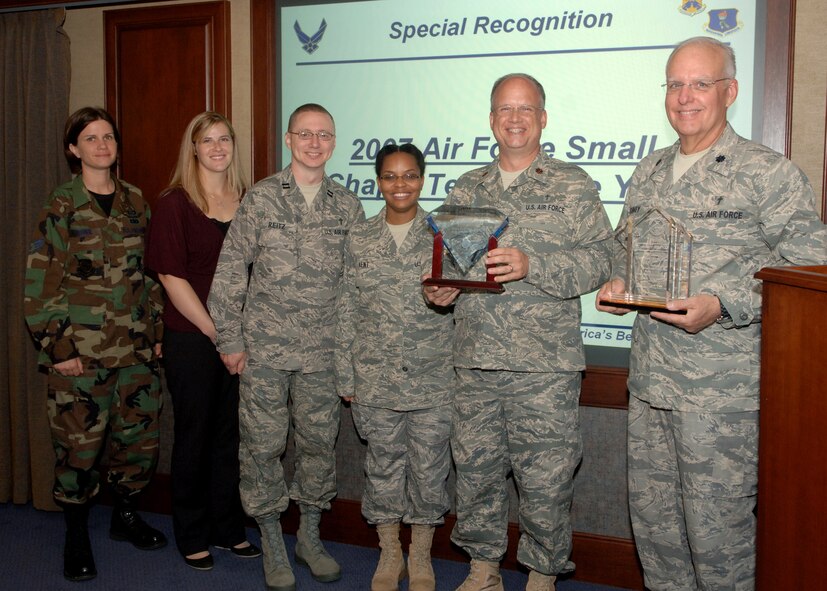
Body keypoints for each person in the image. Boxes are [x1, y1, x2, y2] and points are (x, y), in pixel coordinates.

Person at [595, 36, 827, 591]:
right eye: (675, 84)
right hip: (650, 384)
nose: (685, 96)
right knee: (657, 530)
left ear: (731, 91)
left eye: (700, 83)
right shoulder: (650, 170)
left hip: (721, 395)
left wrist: (725, 304)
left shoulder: (766, 173)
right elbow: (625, 249)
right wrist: (619, 280)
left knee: (718, 538)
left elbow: (810, 267)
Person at [424, 74, 613, 591]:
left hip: (544, 366)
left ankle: (542, 574)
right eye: (505, 109)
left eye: (525, 108)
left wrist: (535, 265)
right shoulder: (467, 187)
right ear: (491, 120)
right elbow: (449, 264)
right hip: (476, 359)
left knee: (546, 479)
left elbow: (603, 257)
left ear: (543, 118)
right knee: (476, 471)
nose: (515, 118)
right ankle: (483, 568)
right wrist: (440, 290)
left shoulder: (572, 184)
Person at [207, 103, 365, 591]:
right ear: (288, 139)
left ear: (334, 142)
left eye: (324, 135)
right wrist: (230, 339)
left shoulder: (348, 206)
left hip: (323, 354)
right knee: (263, 447)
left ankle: (309, 538)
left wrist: (350, 355)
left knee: (318, 446)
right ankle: (272, 541)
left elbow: (355, 287)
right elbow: (230, 271)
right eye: (305, 134)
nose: (315, 143)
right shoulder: (260, 198)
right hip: (265, 352)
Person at [24, 106, 167, 582]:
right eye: (90, 138)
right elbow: (40, 283)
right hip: (81, 356)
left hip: (136, 352)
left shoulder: (136, 202)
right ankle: (76, 533)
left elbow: (150, 276)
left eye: (108, 137)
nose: (102, 145)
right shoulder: (60, 205)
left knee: (138, 442)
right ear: (73, 149)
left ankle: (125, 515)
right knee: (78, 449)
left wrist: (157, 332)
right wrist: (58, 349)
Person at [335, 144, 454, 591]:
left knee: (429, 470)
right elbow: (346, 307)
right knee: (382, 468)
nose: (399, 184)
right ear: (378, 182)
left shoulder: (444, 234)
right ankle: (389, 552)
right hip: (375, 377)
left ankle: (420, 554)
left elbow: (465, 304)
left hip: (433, 377)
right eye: (390, 176)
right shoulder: (360, 236)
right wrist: (345, 372)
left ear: (422, 179)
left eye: (409, 175)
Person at [145, 112, 260, 570]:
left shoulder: (248, 200)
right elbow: (171, 277)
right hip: (194, 338)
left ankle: (228, 528)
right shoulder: (174, 204)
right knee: (194, 436)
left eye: (224, 139)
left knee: (230, 438)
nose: (217, 147)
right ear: (192, 148)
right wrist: (220, 333)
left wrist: (240, 336)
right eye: (207, 140)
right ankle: (192, 533)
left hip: (242, 342)